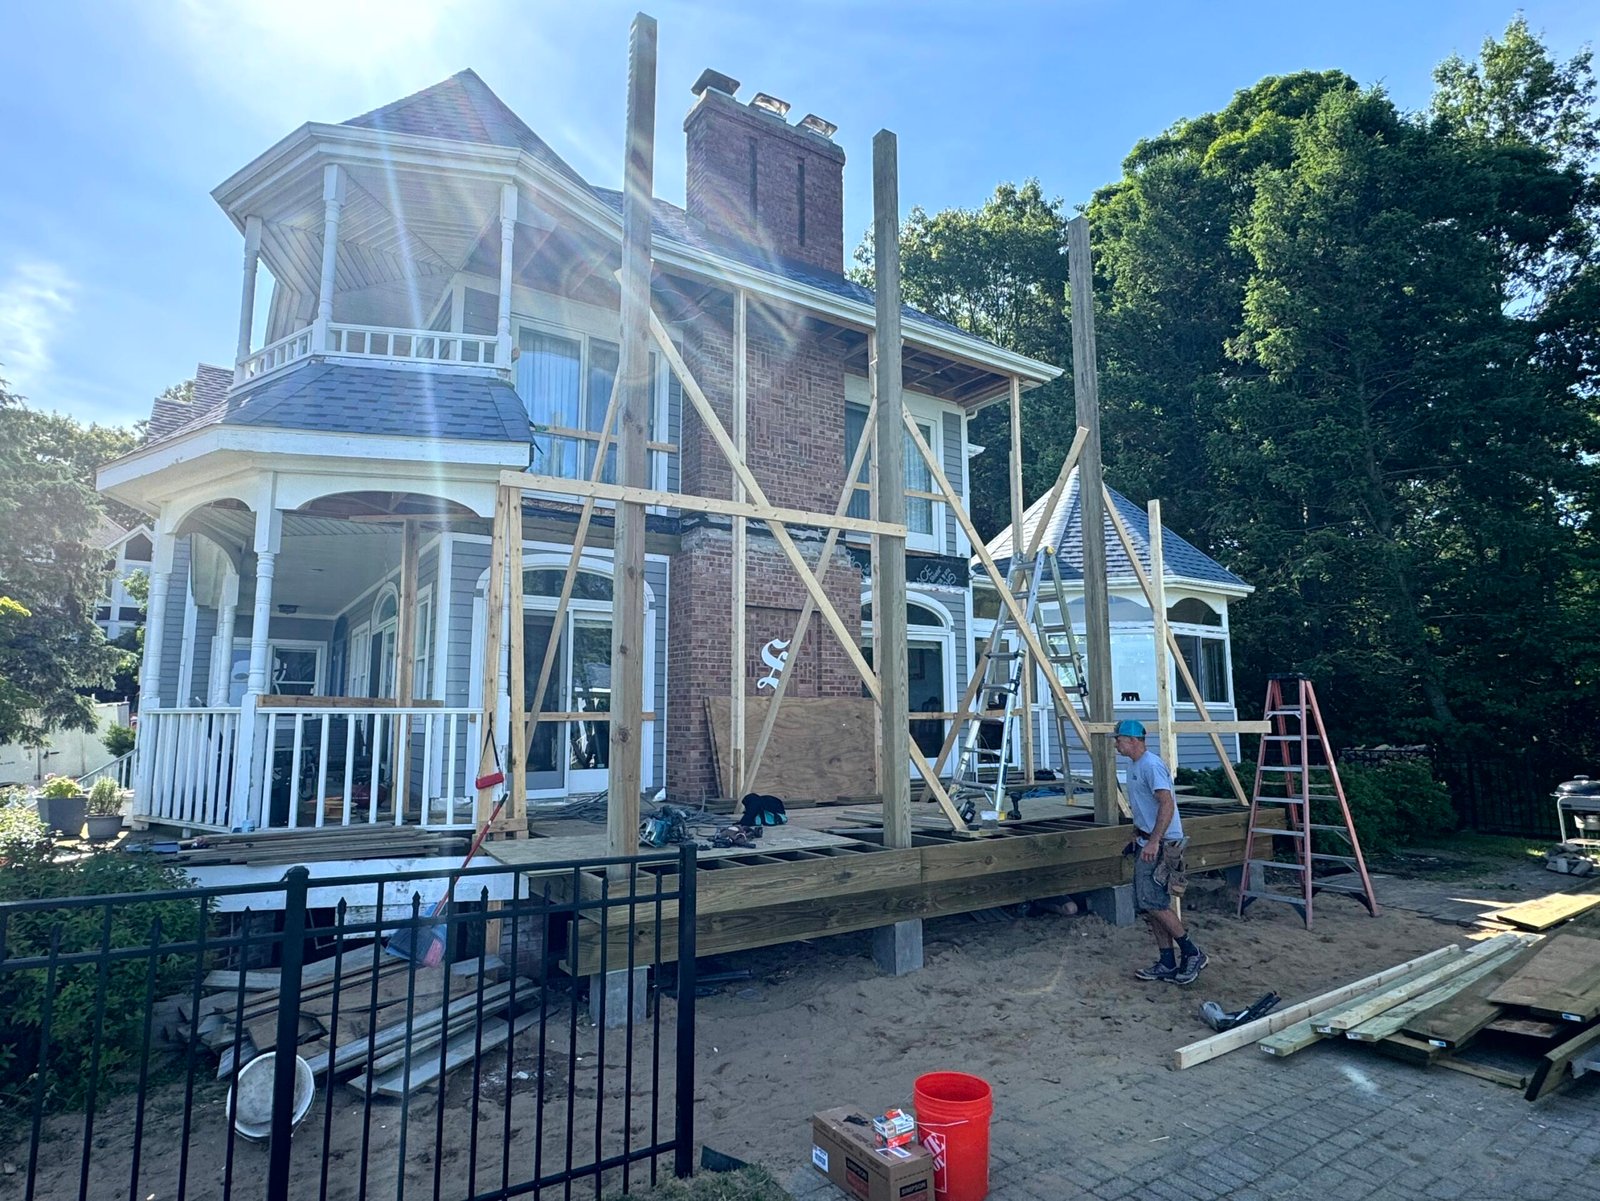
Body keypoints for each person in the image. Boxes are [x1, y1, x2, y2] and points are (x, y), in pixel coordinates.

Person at [1112, 719, 1208, 985]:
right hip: (1148, 841)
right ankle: (1167, 961)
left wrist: (1154, 841)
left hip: (1162, 844)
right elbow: (1145, 806)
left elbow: (1166, 804)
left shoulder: (1151, 765)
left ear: (1133, 740)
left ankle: (1192, 952)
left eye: (1119, 739)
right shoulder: (1134, 766)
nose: (1116, 744)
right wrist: (1138, 833)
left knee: (1154, 903)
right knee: (1149, 903)